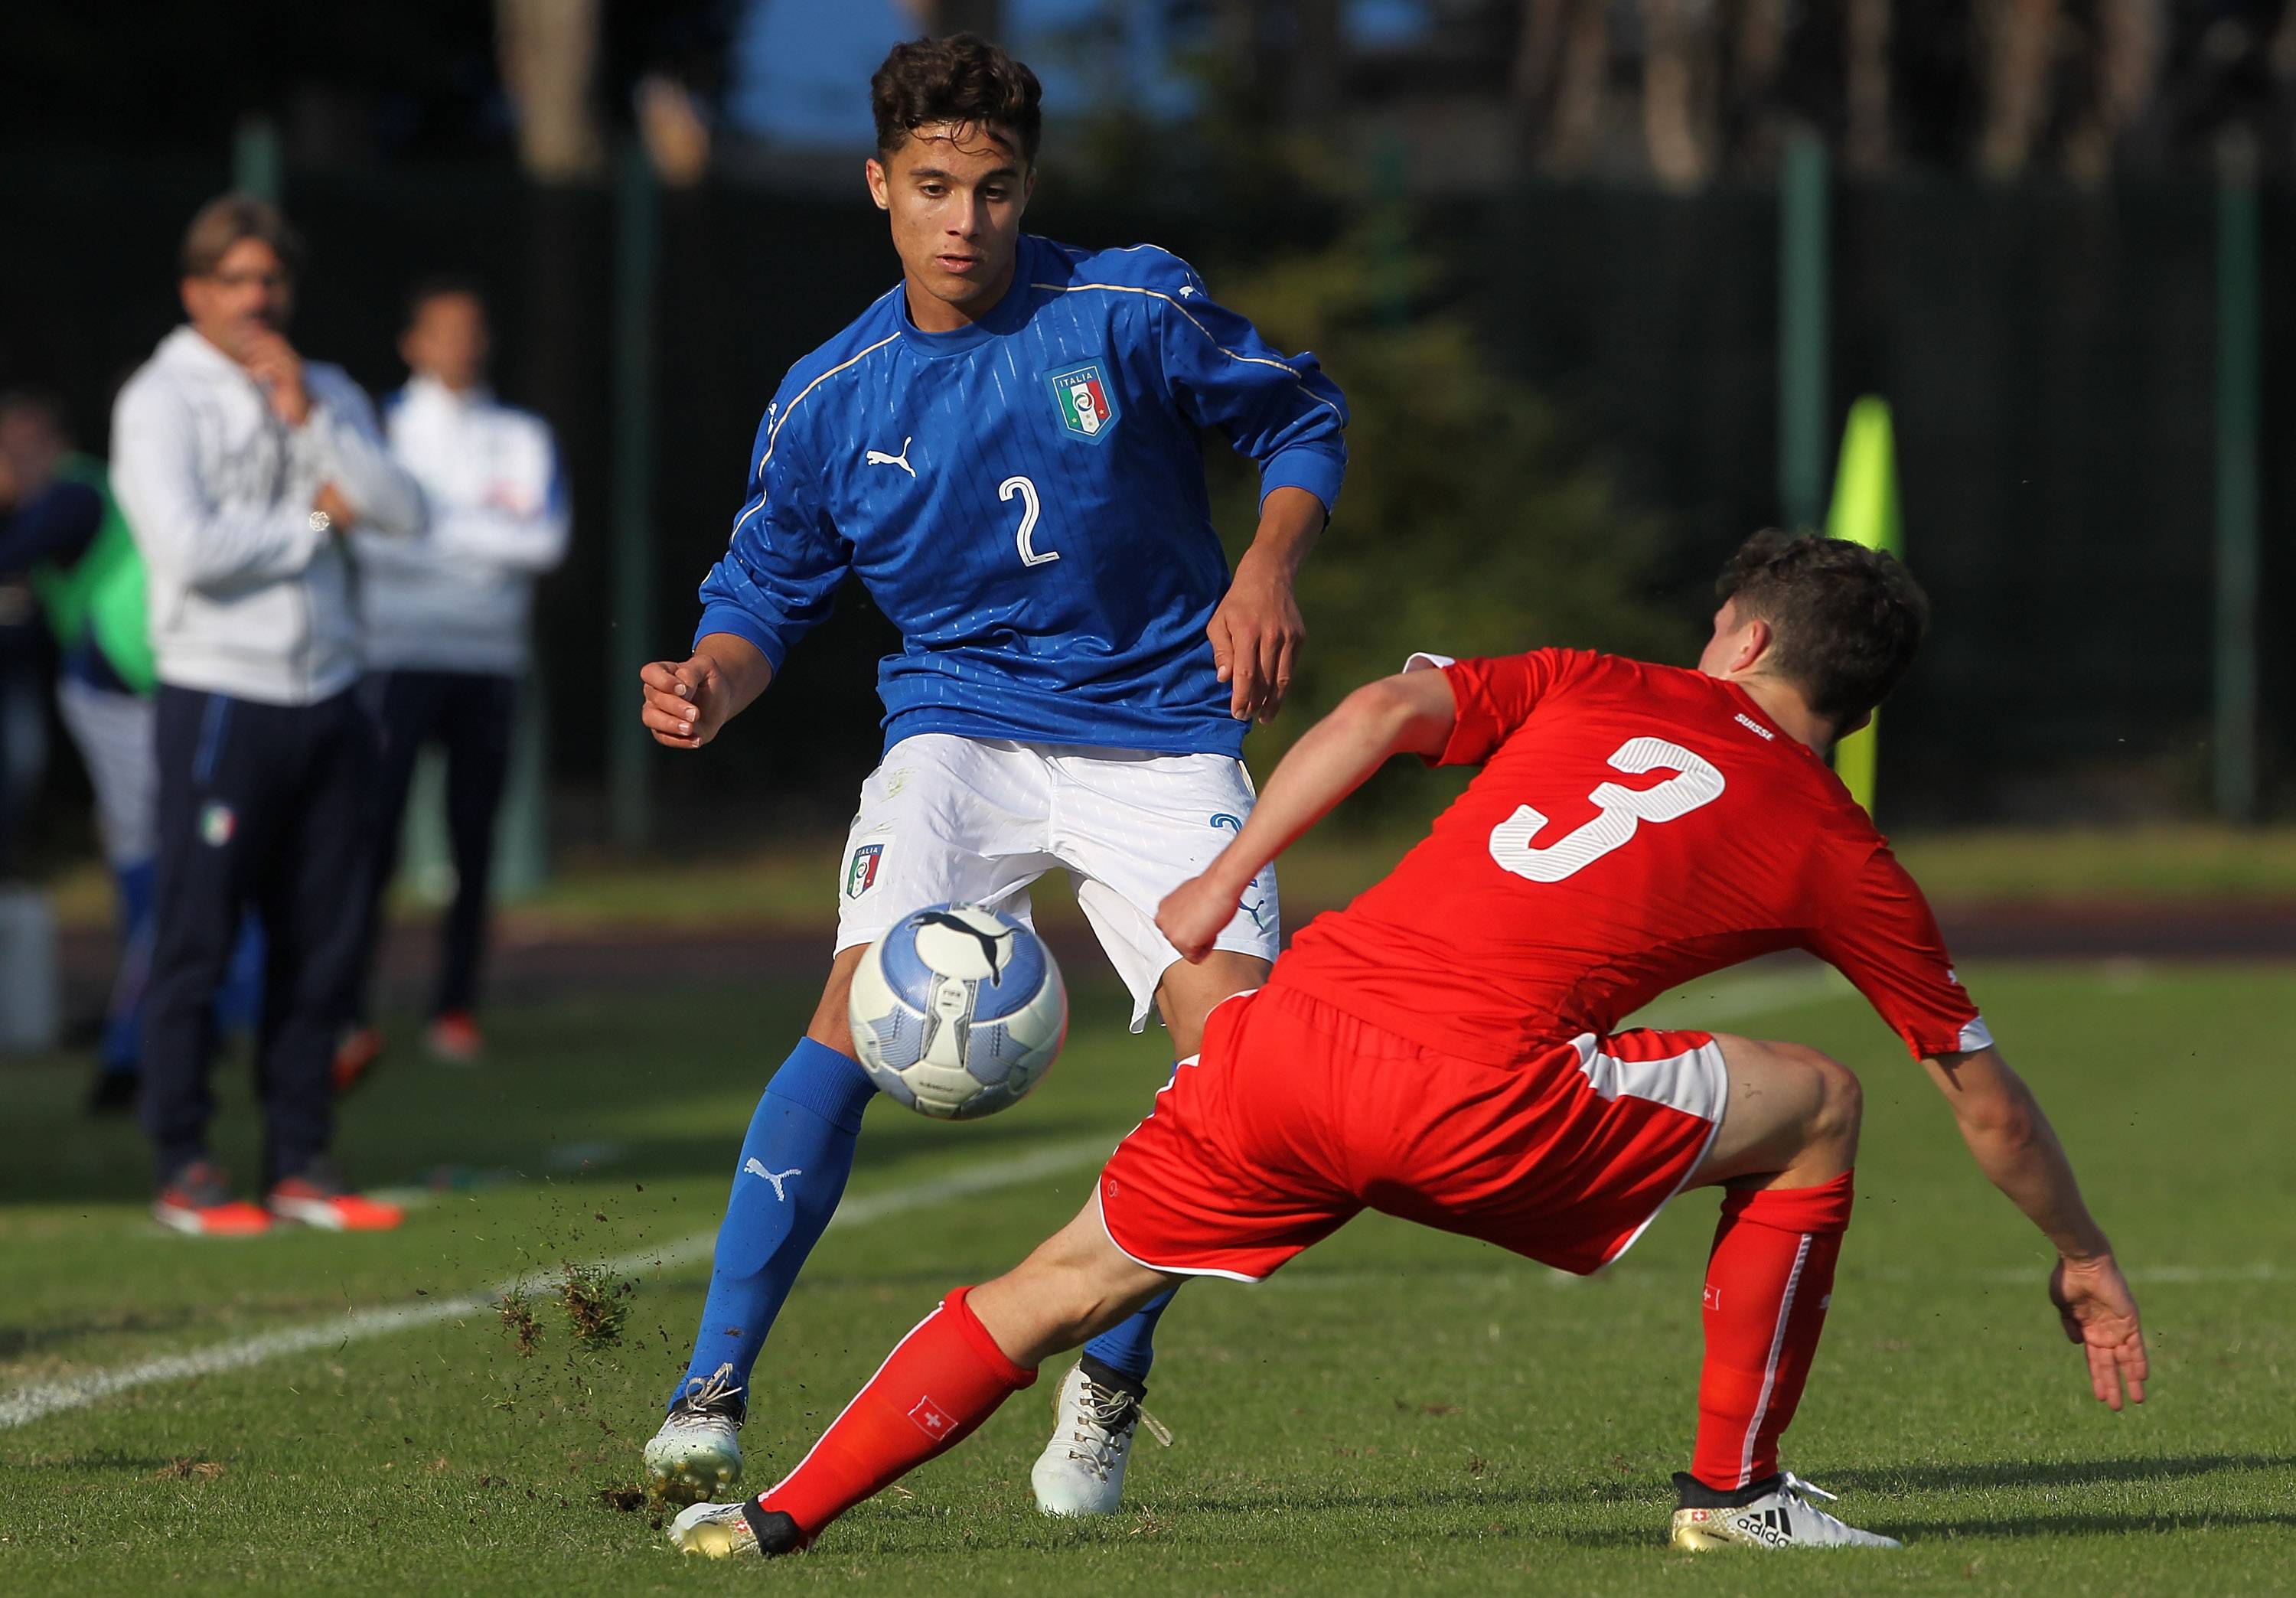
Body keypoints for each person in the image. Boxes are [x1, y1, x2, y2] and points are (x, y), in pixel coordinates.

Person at [666, 530, 2151, 1559]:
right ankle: (1734, 1491)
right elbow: (1989, 1107)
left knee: (1049, 1285)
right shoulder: (1845, 852)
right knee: (1820, 1102)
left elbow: (1381, 708)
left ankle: (773, 1518)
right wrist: (2080, 1248)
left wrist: (1220, 870)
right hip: (1478, 1105)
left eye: (1717, 627)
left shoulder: (1598, 680)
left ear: (1747, 639)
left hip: (1285, 1041)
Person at [635, 34, 1347, 1514]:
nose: (968, 221)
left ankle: (1110, 1366)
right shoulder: (833, 395)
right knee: (849, 1002)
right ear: (881, 185)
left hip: (1161, 730)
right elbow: (764, 590)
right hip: (957, 731)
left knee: (1253, 1076)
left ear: (1031, 191)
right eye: (938, 187)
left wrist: (1268, 567)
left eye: (998, 189)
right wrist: (712, 675)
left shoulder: (1126, 307)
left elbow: (1297, 417)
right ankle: (712, 1385)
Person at [111, 194, 424, 1236]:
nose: (256, 299)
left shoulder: (321, 386)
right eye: (235, 281)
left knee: (323, 944)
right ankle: (185, 1161)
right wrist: (306, 523)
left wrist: (311, 418)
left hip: (329, 697)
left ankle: (301, 1160)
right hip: (218, 696)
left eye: (270, 281)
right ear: (196, 290)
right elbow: (188, 551)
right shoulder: (162, 400)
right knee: (197, 937)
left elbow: (406, 509)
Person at [0, 390, 266, 1114]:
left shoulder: (95, 487)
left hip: (183, 686)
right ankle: (152, 1045)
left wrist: (319, 517)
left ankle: (179, 1036)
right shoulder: (115, 488)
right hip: (136, 689)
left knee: (197, 864)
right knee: (186, 869)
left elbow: (315, 524)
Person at [336, 276, 568, 1080]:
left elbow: (544, 542)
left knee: (475, 847)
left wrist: (425, 524)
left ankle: (455, 1008)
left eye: (473, 331)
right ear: (413, 343)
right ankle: (348, 1008)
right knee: (372, 842)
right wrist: (478, 536)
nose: (460, 346)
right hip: (394, 658)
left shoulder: (522, 436)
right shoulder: (379, 428)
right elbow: (363, 541)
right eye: (443, 332)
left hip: (490, 663)